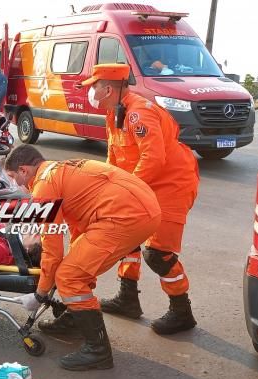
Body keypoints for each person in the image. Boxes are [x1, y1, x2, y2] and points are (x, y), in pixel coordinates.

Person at [3, 145, 161, 371]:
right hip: (143, 208)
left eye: (13, 177)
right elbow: (78, 226)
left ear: (24, 170)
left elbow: (52, 248)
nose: (16, 184)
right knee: (75, 267)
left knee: (69, 276)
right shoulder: (62, 169)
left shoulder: (43, 187)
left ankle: (98, 350)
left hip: (125, 215)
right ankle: (74, 320)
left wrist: (40, 293)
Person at [83, 64, 200, 335]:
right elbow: (115, 157)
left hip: (171, 185)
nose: (91, 90)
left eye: (94, 85)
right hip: (142, 184)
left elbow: (154, 158)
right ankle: (127, 299)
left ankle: (182, 311)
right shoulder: (114, 113)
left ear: (108, 88)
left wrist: (127, 188)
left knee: (158, 254)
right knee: (127, 237)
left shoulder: (138, 112)